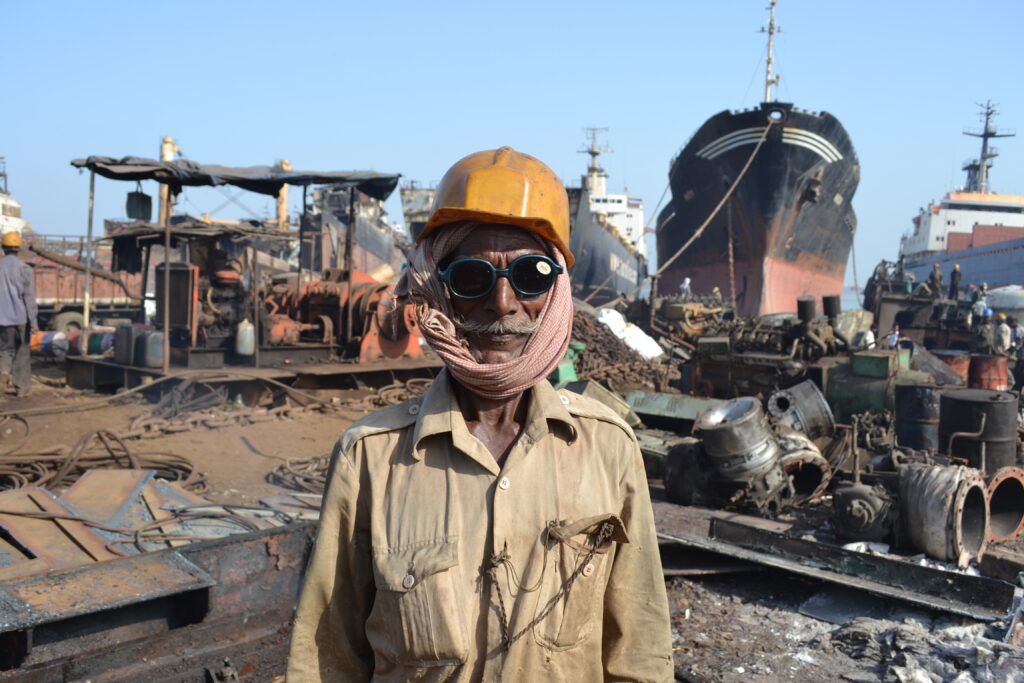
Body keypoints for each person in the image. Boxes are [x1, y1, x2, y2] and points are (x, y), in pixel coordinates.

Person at [288, 147, 673, 681]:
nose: (502, 301)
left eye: (532, 274)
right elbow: (327, 659)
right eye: (472, 277)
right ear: (437, 291)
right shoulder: (370, 457)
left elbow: (639, 651)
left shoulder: (609, 449)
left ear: (557, 291)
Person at [0, 232, 37, 397]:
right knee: (22, 351)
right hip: (21, 319)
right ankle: (21, 388)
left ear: (3, 248)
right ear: (19, 249)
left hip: (2, 318)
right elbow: (29, 297)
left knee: (4, 350)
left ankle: (3, 375)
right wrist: (34, 321)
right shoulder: (25, 269)